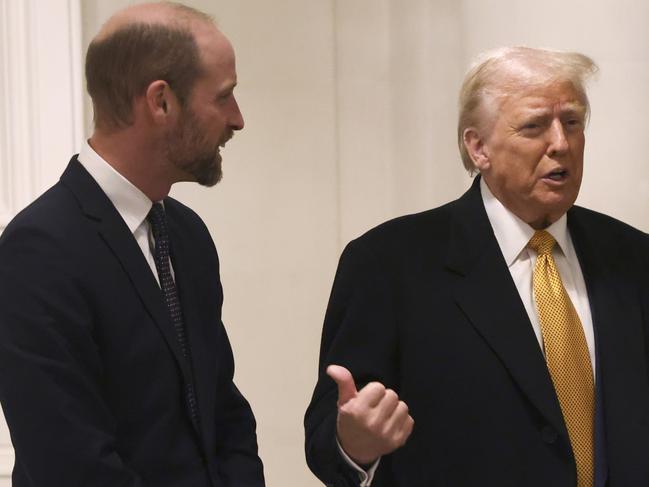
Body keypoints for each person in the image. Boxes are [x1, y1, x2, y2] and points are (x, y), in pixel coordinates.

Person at [304, 46, 649, 487]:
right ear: (478, 147)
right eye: (534, 126)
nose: (561, 143)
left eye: (573, 122)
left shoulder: (633, 258)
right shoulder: (390, 264)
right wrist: (355, 444)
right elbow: (327, 443)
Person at [0, 2, 265, 486]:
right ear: (161, 102)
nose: (237, 119)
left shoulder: (188, 236)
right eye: (223, 97)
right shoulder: (37, 250)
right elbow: (69, 463)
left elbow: (223, 412)